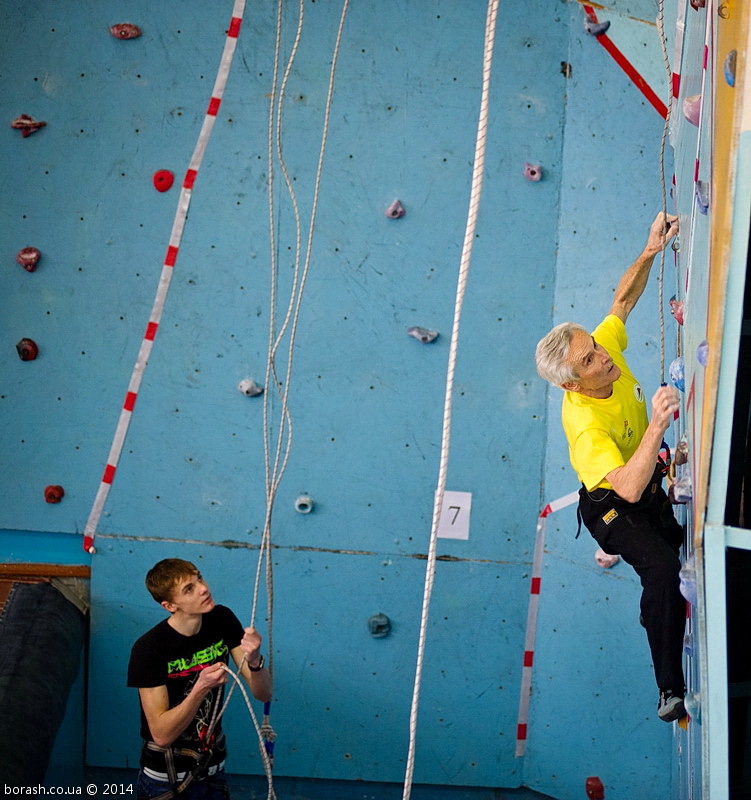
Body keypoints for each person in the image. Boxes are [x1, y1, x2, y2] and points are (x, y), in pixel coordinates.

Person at [535, 212, 687, 723]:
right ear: (573, 384)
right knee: (662, 571)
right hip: (611, 507)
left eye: (594, 345)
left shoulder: (605, 353)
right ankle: (669, 689)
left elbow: (622, 301)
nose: (604, 355)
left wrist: (650, 251)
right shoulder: (584, 427)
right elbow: (624, 485)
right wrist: (657, 428)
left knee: (681, 549)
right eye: (590, 359)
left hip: (642, 483)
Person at [128, 558, 273, 799]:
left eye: (199, 578)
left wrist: (256, 660)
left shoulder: (222, 619)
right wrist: (200, 688)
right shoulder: (149, 649)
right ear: (170, 605)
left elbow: (264, 694)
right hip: (167, 780)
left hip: (213, 770)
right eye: (189, 589)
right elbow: (161, 735)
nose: (203, 588)